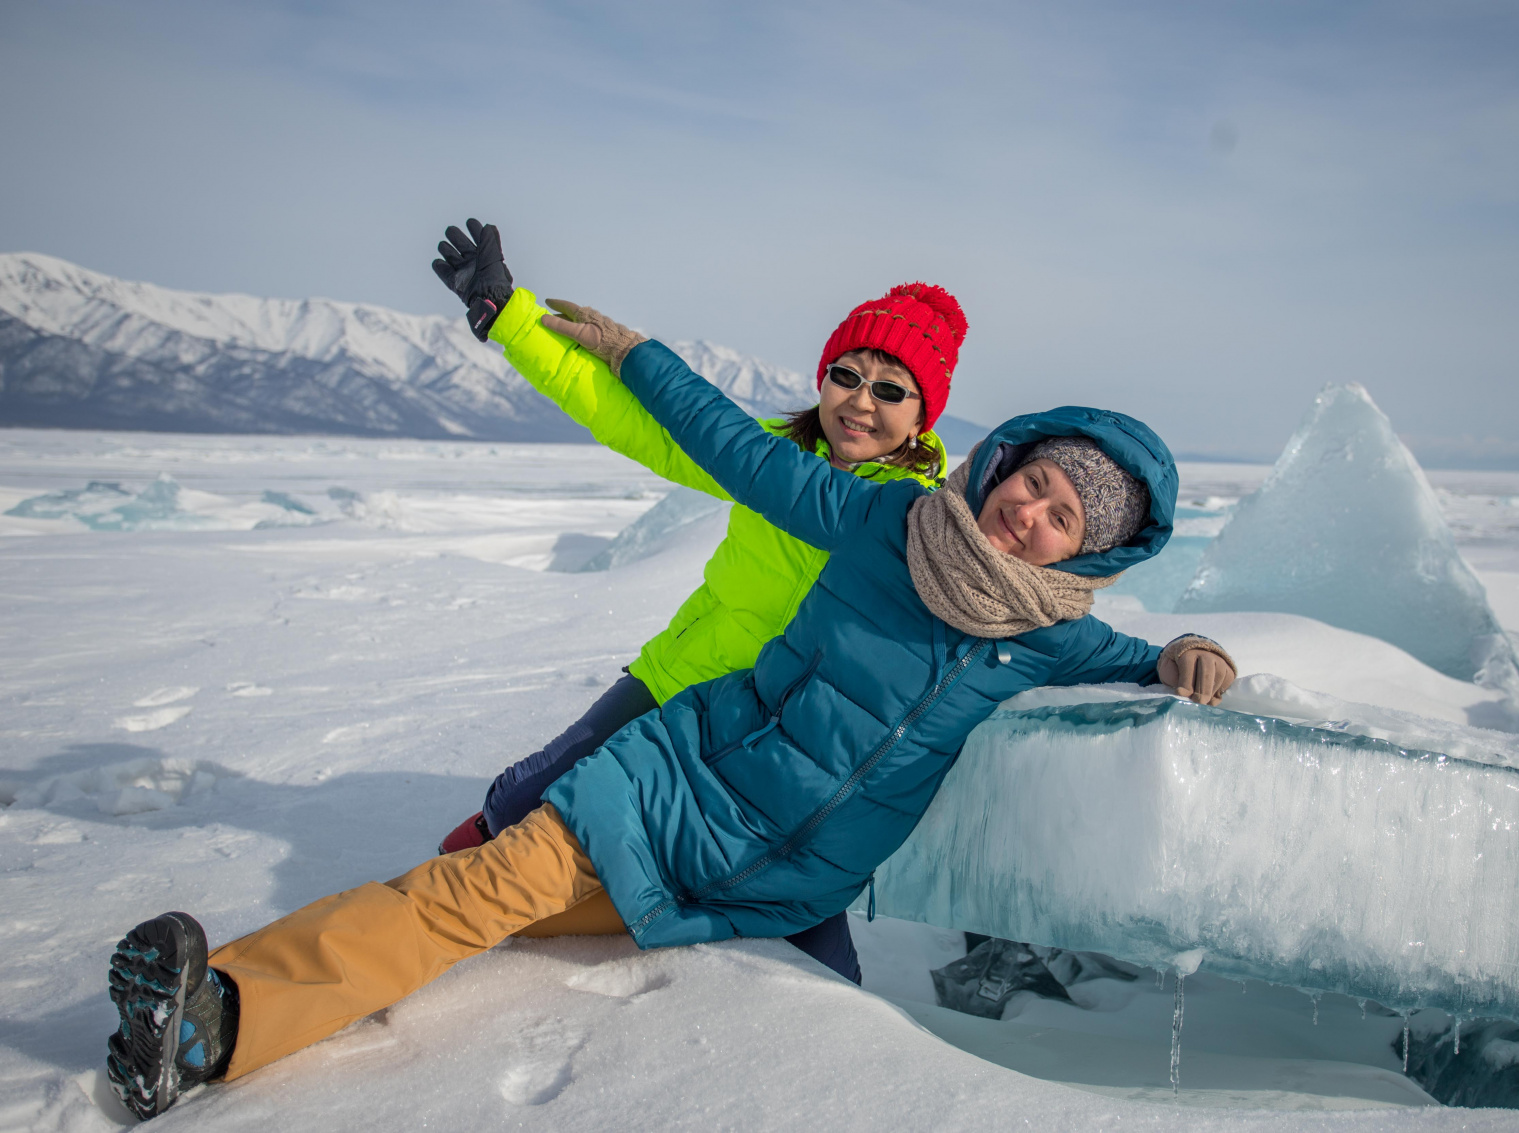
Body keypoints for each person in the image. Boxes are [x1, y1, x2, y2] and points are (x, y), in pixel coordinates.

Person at [103, 291, 1237, 1122]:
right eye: (1031, 482)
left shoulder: (1049, 634)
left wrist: (1187, 651)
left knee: (831, 1059)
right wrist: (627, 350)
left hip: (786, 886)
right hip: (672, 787)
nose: (1031, 513)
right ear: (997, 469)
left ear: (1090, 548)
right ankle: (214, 1020)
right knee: (471, 889)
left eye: (1062, 516)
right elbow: (726, 443)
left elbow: (1138, 658)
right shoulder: (879, 521)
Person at [429, 219, 969, 985]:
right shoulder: (769, 459)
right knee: (512, 812)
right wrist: (509, 317)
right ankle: (467, 891)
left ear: (922, 415)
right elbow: (634, 416)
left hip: (777, 741)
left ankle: (848, 1053)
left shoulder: (916, 519)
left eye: (890, 390)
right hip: (678, 676)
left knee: (806, 938)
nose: (859, 402)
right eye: (846, 375)